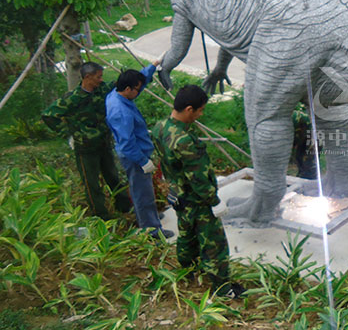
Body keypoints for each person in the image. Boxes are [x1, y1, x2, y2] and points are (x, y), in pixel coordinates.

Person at [151, 85, 244, 297]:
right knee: (214, 244)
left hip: (178, 195)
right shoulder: (184, 140)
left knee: (186, 235)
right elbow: (198, 178)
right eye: (200, 110)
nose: (201, 115)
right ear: (189, 109)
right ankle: (222, 288)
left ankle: (187, 272)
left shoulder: (160, 127)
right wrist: (214, 201)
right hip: (197, 200)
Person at [42, 61, 131, 219]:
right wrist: (69, 134)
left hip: (104, 144)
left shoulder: (101, 90)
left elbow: (117, 84)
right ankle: (101, 217)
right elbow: (48, 115)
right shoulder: (72, 98)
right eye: (98, 77)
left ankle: (125, 208)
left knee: (114, 177)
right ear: (87, 77)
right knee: (92, 185)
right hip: (85, 149)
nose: (101, 80)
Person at [105, 62, 172, 239]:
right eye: (137, 89)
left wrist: (151, 68)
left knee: (141, 190)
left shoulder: (118, 94)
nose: (139, 91)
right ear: (128, 89)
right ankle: (151, 231)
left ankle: (148, 217)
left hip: (136, 153)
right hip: (134, 156)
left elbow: (138, 85)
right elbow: (127, 144)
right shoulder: (120, 111)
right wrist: (143, 162)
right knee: (143, 194)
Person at [291, 103, 319, 179]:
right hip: (302, 130)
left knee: (308, 162)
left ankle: (309, 182)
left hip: (312, 131)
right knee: (299, 156)